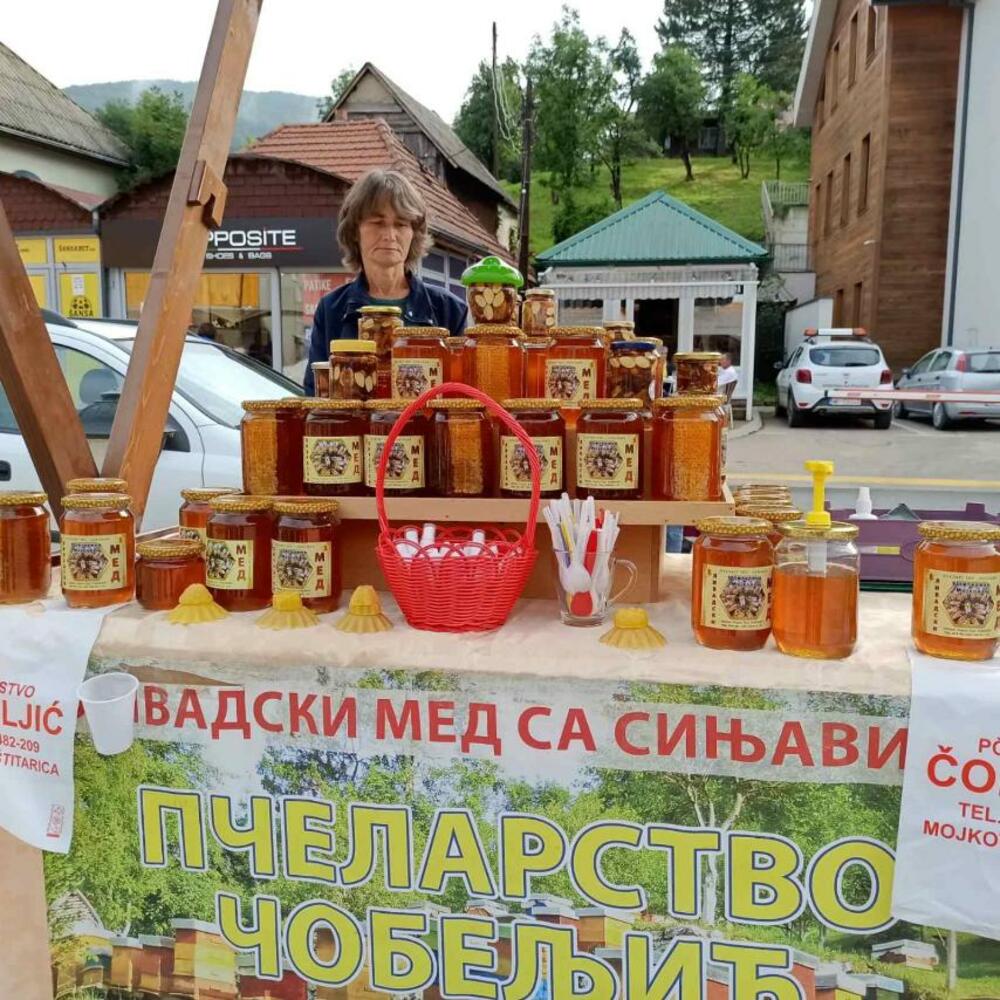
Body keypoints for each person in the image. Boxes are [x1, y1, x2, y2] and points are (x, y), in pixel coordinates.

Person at [303, 168, 468, 393]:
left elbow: (462, 398)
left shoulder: (449, 310)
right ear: (354, 231)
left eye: (401, 224)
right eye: (378, 222)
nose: (390, 235)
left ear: (414, 232)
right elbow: (316, 395)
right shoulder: (331, 310)